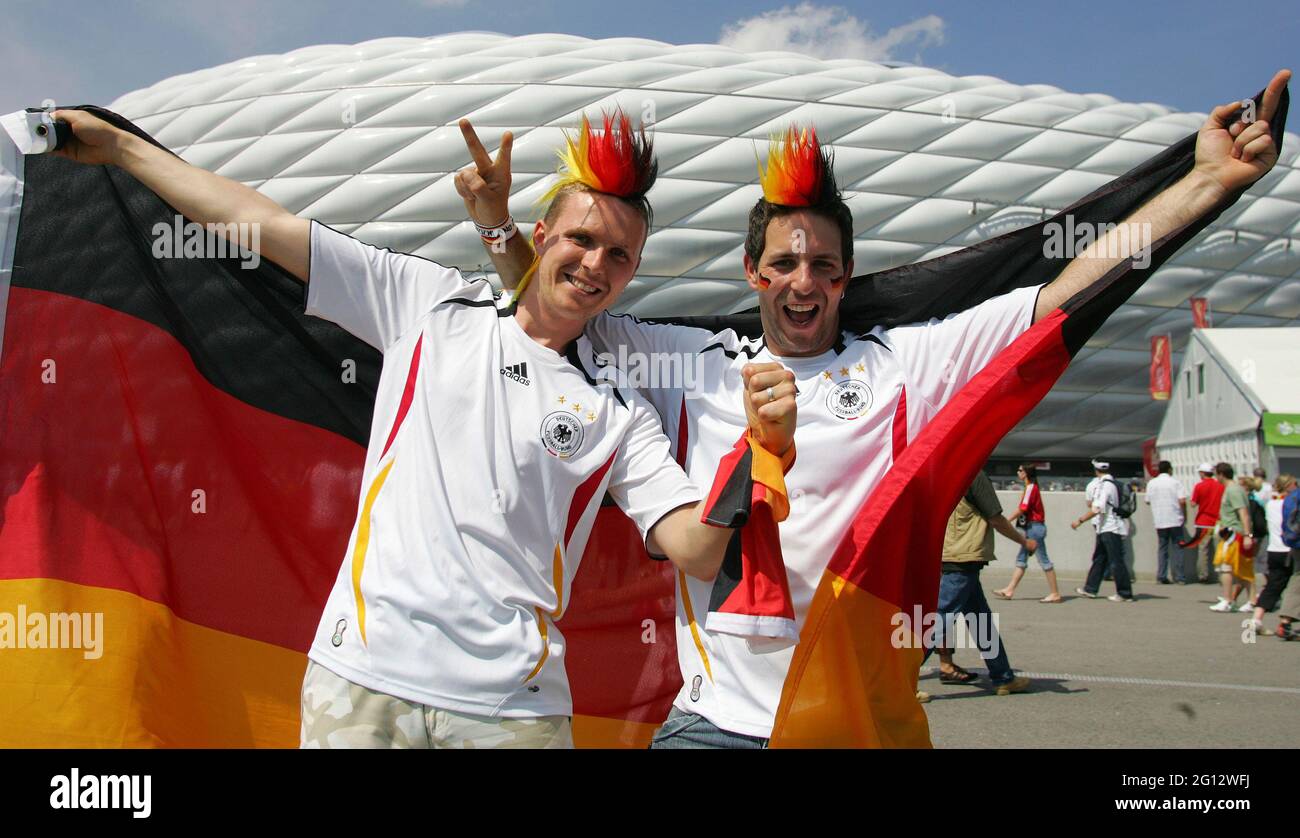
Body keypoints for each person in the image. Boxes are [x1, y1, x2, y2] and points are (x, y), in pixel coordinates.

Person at [459, 69, 1289, 747]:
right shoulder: (684, 361)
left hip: (848, 721)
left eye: (825, 264)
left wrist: (1208, 184)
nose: (805, 281)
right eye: (785, 262)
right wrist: (499, 226)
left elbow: (1065, 294)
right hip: (708, 726)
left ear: (847, 278)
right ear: (754, 275)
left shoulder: (905, 365)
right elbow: (563, 306)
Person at [51, 108, 800, 748]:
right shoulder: (427, 303)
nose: (594, 263)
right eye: (579, 239)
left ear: (632, 272)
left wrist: (763, 452)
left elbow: (698, 554)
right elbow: (264, 224)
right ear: (541, 233)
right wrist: (122, 149)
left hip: (514, 712)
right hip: (364, 681)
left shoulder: (621, 407)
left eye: (618, 255)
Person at [921, 471, 1034, 699]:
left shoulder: (946, 473)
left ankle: (1003, 677)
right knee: (939, 619)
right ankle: (900, 681)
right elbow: (995, 518)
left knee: (981, 621)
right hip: (963, 558)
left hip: (950, 553)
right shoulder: (974, 476)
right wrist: (1024, 541)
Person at [993, 464, 1062, 602]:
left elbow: (1023, 508)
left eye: (1020, 470)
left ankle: (1055, 593)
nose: (1017, 472)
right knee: (1021, 559)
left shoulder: (1031, 488)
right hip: (1032, 527)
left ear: (1026, 473)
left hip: (1034, 528)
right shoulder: (1030, 487)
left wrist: (1007, 521)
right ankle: (1009, 590)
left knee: (1044, 560)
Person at [1072, 459, 1135, 602]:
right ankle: (1090, 589)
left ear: (1096, 471)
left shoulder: (1105, 486)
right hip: (1106, 528)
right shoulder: (1112, 484)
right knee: (1099, 559)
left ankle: (1125, 593)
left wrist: (1080, 520)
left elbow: (1097, 508)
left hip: (1110, 528)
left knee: (1116, 561)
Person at [1250, 475, 1296, 633]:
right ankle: (1285, 621)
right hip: (1288, 550)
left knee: (1272, 586)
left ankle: (1256, 619)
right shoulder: (1289, 503)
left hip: (1273, 549)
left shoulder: (1270, 504)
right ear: (1289, 485)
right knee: (1294, 585)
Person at [1209, 463, 1257, 612]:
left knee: (1226, 568)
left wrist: (1248, 535)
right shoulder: (1233, 489)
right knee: (1242, 568)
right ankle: (1252, 601)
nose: (1216, 477)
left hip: (1234, 534)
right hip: (1233, 532)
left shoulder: (1233, 490)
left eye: (1216, 474)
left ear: (1221, 474)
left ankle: (1228, 600)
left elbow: (1243, 513)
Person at [1144, 460, 1189, 584]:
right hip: (1175, 519)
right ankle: (1180, 577)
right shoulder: (1175, 483)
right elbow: (1182, 501)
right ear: (1170, 470)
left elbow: (1147, 500)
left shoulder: (1152, 483)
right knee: (1178, 548)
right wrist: (1185, 515)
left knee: (1162, 548)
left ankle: (1161, 576)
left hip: (1160, 519)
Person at [1188, 462, 1226, 582]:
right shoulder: (1220, 486)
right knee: (1219, 550)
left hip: (1203, 521)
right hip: (1218, 521)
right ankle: (1222, 575)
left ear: (1202, 473)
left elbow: (1193, 504)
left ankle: (1202, 576)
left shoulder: (1199, 486)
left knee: (1202, 550)